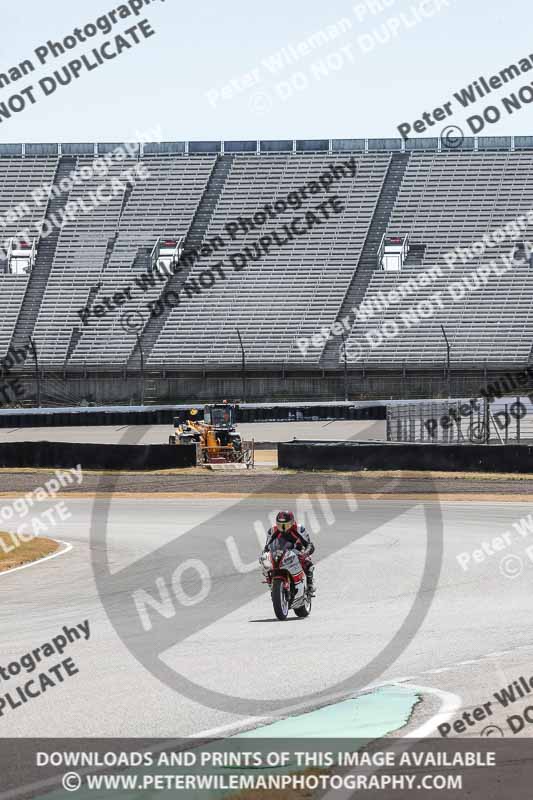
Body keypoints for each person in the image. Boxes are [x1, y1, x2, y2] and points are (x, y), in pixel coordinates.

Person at [264, 511, 315, 595]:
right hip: (279, 552)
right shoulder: (272, 531)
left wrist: (305, 553)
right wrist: (264, 555)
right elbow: (267, 547)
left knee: (308, 563)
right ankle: (271, 583)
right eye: (280, 525)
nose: (283, 528)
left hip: (295, 551)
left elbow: (309, 545)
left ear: (292, 522)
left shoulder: (299, 529)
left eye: (286, 525)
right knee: (265, 563)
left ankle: (310, 586)